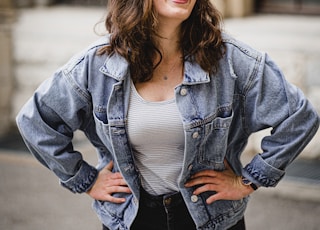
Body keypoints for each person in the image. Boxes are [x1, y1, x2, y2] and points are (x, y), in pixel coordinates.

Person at [16, 0, 319, 230]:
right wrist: (86, 180)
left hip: (210, 219)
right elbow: (36, 121)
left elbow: (299, 117)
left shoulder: (232, 61)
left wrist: (247, 181)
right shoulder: (97, 66)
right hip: (131, 218)